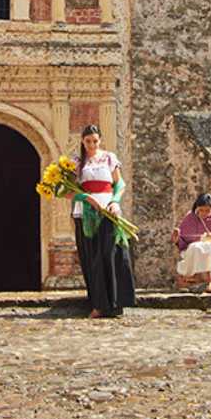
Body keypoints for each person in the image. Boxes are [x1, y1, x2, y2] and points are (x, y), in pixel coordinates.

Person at [72, 124, 136, 318]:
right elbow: (68, 190)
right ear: (83, 141)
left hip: (108, 209)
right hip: (86, 212)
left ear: (100, 140)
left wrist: (115, 201)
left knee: (109, 253)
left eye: (95, 141)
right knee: (93, 257)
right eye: (88, 141)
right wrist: (86, 198)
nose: (91, 144)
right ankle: (98, 304)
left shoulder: (109, 158)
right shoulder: (76, 162)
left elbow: (120, 183)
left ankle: (116, 302)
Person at [172, 193, 211, 292]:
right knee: (196, 247)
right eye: (201, 210)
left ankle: (207, 281)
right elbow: (182, 243)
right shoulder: (189, 218)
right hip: (192, 252)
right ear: (196, 208)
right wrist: (176, 239)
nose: (204, 213)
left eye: (207, 211)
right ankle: (202, 282)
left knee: (207, 247)